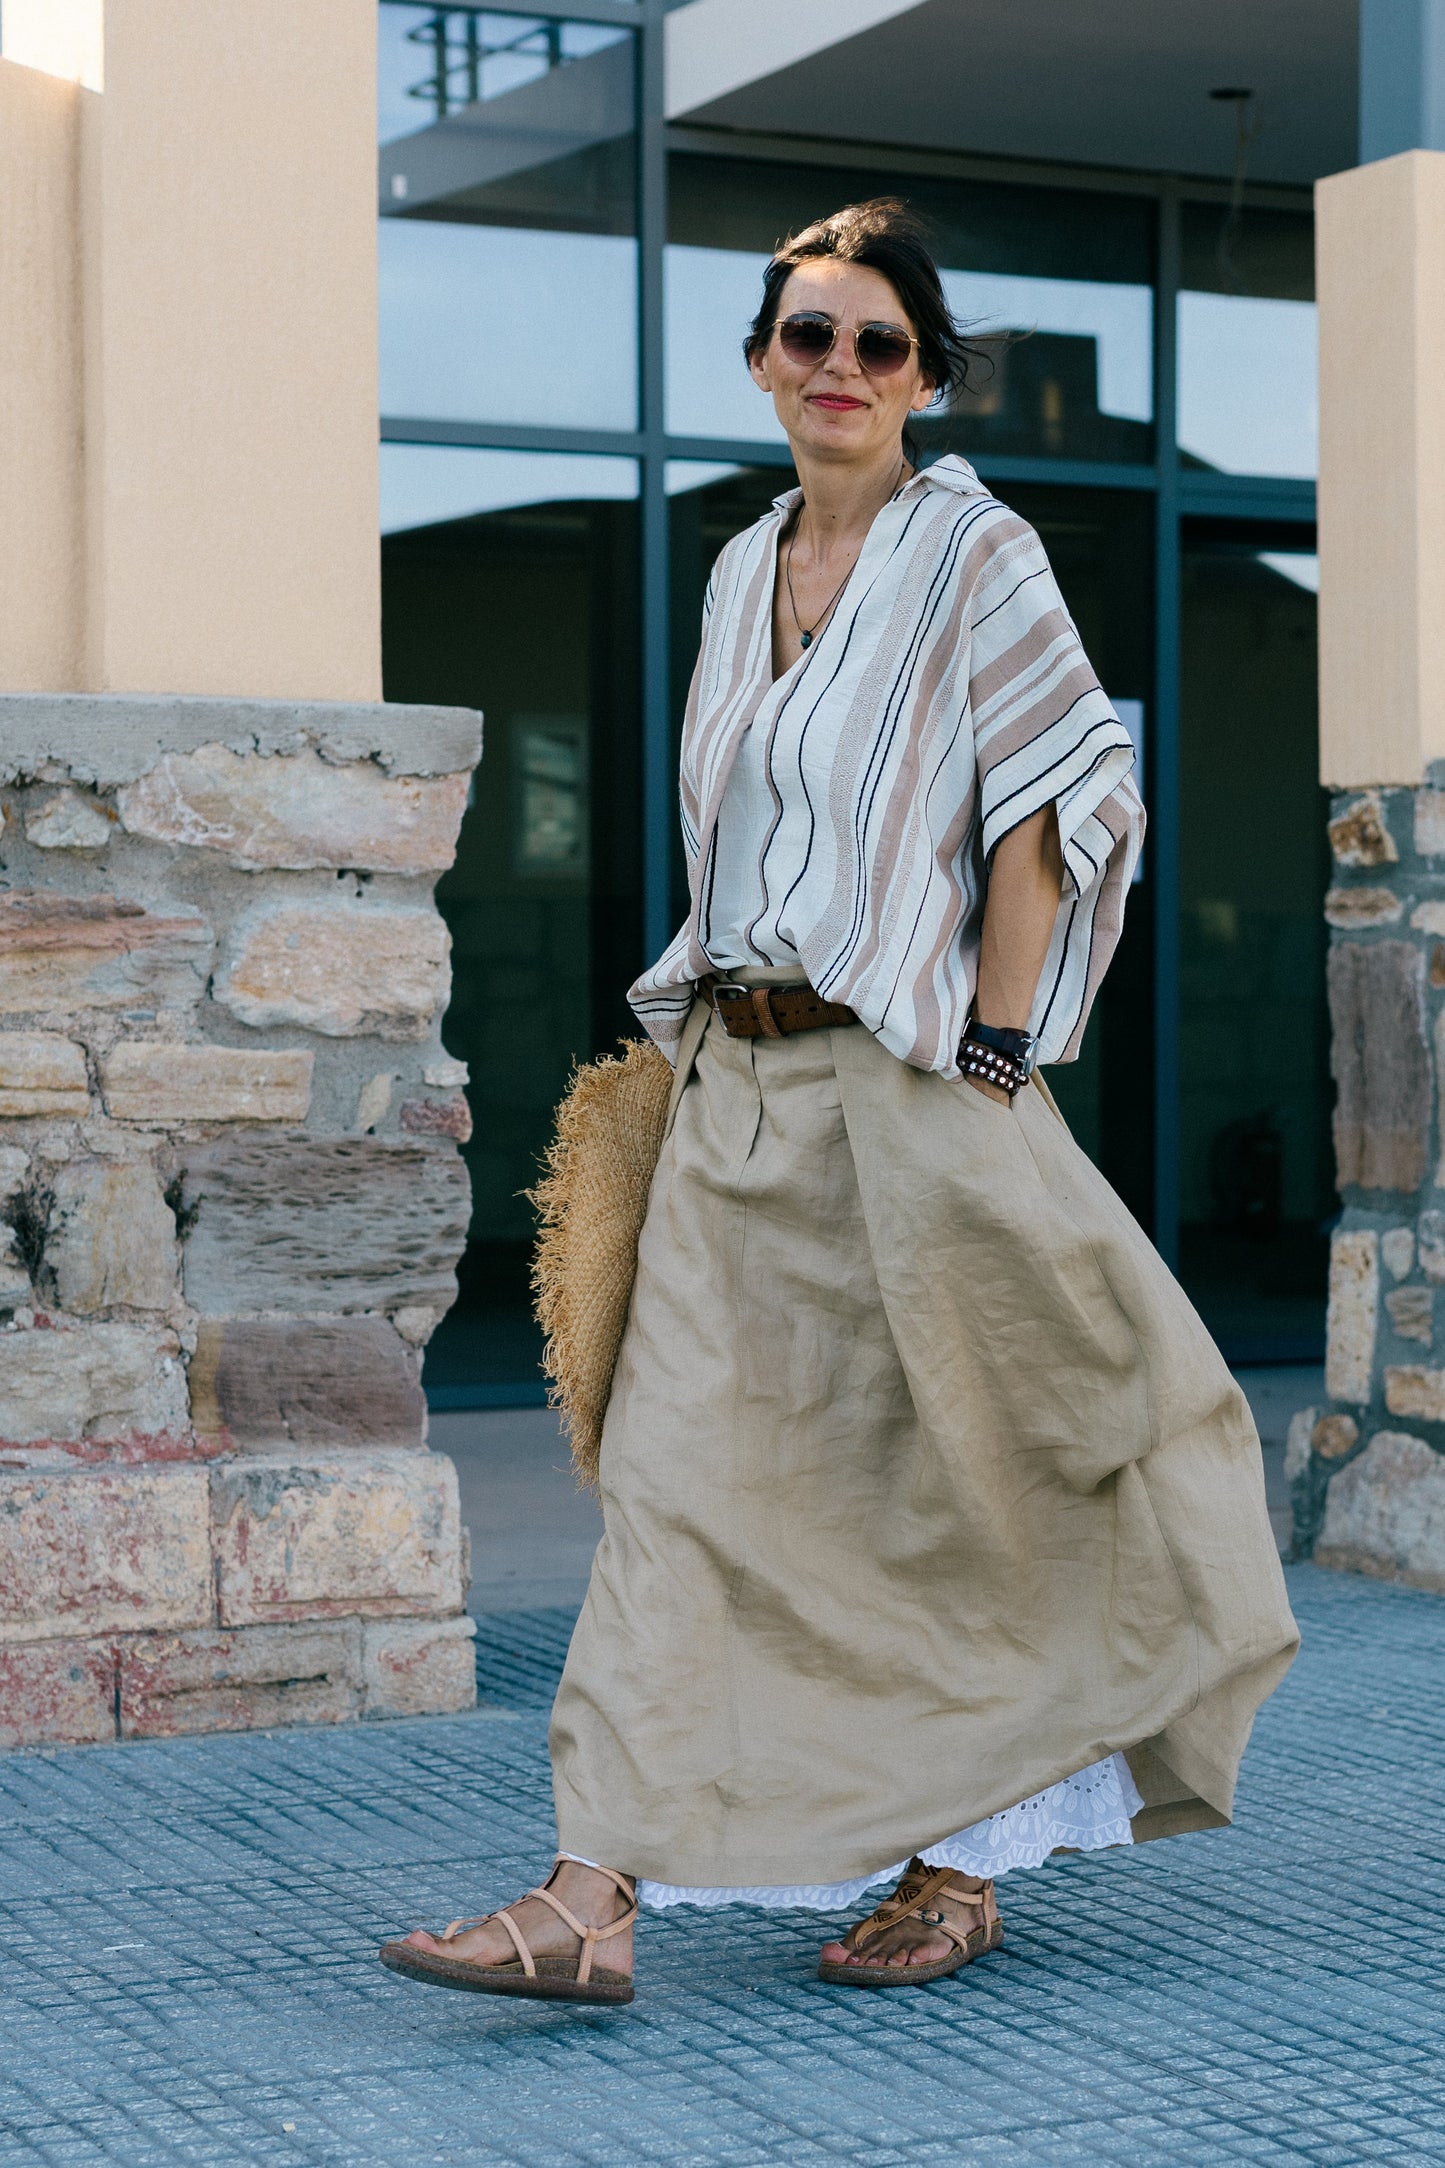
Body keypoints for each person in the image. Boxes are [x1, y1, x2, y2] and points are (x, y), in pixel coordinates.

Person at [382, 198, 1298, 2006]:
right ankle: (590, 1895)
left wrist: (1001, 1046)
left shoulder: (979, 553)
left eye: (879, 343)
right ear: (760, 364)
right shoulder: (738, 570)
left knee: (981, 1473)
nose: (842, 370)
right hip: (737, 1082)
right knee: (675, 1480)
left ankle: (956, 1860)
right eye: (810, 336)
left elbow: (1053, 797)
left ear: (925, 377)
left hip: (914, 1084)